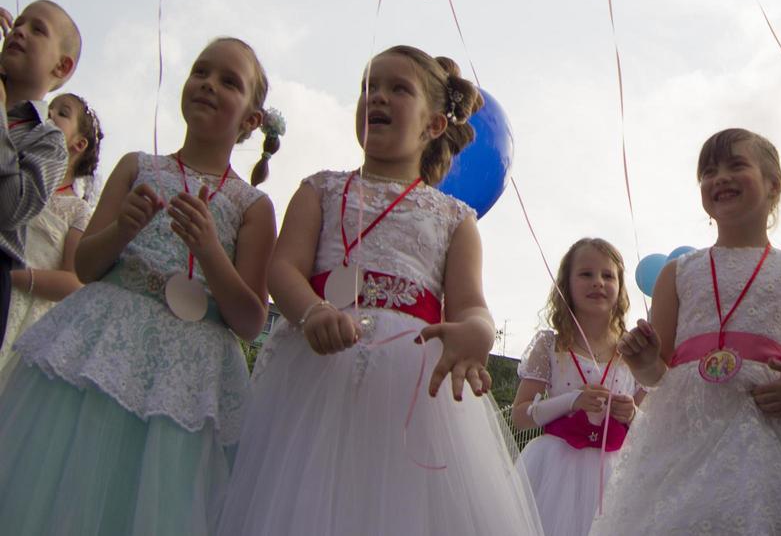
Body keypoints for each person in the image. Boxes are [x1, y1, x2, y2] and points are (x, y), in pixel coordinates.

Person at [219, 47, 542, 535]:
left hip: (411, 386)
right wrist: (311, 312)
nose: (378, 97)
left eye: (398, 89)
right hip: (312, 371)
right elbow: (284, 269)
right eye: (369, 87)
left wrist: (476, 332)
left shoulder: (455, 219)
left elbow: (471, 304)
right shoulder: (319, 190)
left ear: (434, 125)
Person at [0, 37, 277, 533]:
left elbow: (252, 319)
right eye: (200, 71)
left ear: (251, 120)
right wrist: (123, 229)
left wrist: (211, 251)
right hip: (103, 345)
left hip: (188, 376)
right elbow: (85, 266)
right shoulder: (136, 166)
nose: (208, 84)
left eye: (228, 81)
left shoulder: (252, 205)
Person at [592, 127, 781, 535]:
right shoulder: (678, 272)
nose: (718, 177)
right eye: (708, 171)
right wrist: (645, 361)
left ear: (774, 184)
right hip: (686, 437)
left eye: (735, 165)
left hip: (774, 432)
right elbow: (658, 374)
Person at [513, 237, 642, 536]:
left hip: (616, 474)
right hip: (554, 469)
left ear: (620, 287)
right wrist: (570, 401)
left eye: (608, 275)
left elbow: (652, 427)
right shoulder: (550, 344)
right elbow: (520, 416)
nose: (598, 282)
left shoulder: (633, 349)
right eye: (586, 274)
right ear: (566, 284)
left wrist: (633, 414)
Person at [0, 92, 101, 384]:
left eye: (62, 113)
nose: (49, 114)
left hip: (22, 309)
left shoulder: (78, 210)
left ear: (78, 144)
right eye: (50, 108)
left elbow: (73, 281)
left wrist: (13, 277)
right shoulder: (15, 179)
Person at [0, 1, 81, 345]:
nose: (19, 31)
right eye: (18, 24)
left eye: (37, 29)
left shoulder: (47, 139)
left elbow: (11, 207)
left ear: (61, 67)